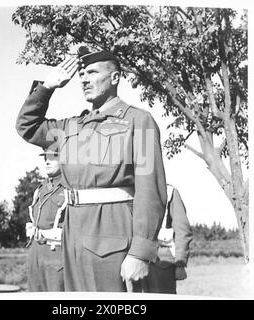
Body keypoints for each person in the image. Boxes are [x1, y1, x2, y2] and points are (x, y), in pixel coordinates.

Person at [16, 47, 167, 292]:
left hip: (112, 234)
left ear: (115, 77)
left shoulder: (138, 121)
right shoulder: (71, 127)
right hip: (72, 235)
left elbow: (151, 190)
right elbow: (28, 126)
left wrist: (140, 252)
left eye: (92, 72)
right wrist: (47, 87)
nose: (84, 79)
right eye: (82, 74)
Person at [25, 147, 66, 292]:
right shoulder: (40, 189)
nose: (47, 162)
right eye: (45, 158)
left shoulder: (69, 189)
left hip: (56, 254)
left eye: (53, 157)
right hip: (36, 253)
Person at [148, 184, 193, 294]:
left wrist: (180, 263)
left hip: (161, 263)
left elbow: (182, 230)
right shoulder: (128, 189)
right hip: (130, 260)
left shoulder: (169, 191)